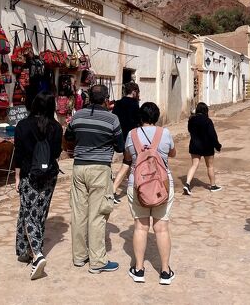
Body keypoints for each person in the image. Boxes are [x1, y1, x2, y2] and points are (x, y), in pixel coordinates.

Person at [113, 102, 176, 285]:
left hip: (137, 185)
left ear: (140, 117)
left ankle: (139, 269)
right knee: (161, 228)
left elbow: (127, 158)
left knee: (140, 227)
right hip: (162, 186)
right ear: (156, 117)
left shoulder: (132, 135)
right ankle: (165, 271)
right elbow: (172, 154)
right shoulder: (165, 133)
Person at [64, 84, 125, 274]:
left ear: (89, 97)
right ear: (106, 99)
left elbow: (69, 137)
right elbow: (120, 147)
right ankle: (97, 261)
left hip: (79, 167)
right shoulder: (112, 119)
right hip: (100, 169)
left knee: (79, 213)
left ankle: (79, 257)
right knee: (98, 215)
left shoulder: (78, 115)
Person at [13, 91, 63, 280]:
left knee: (29, 214)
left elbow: (18, 154)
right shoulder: (57, 128)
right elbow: (57, 152)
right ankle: (24, 249)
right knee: (38, 212)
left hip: (28, 176)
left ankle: (37, 255)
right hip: (49, 176)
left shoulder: (23, 126)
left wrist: (17, 177)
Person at [183, 102, 222, 195]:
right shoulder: (208, 121)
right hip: (207, 146)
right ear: (206, 111)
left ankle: (187, 184)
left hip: (195, 146)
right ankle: (213, 186)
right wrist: (217, 146)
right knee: (210, 166)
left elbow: (190, 130)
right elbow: (212, 135)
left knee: (194, 165)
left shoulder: (191, 120)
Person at [112, 82, 141, 202]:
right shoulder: (134, 104)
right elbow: (138, 121)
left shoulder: (118, 103)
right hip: (131, 137)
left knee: (130, 162)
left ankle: (133, 188)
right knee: (128, 163)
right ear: (134, 91)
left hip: (119, 137)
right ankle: (113, 190)